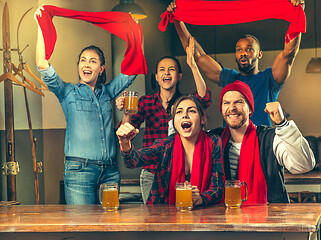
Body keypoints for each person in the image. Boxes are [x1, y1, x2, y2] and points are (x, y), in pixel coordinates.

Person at [34, 7, 138, 204]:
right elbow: (41, 63)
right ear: (79, 66)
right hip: (79, 172)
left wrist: (133, 30)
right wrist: (41, 24)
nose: (87, 65)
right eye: (83, 60)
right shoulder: (67, 92)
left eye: (92, 61)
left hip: (110, 172)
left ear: (101, 69)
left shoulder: (108, 91)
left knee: (110, 228)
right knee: (83, 230)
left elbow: (132, 70)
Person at [167, 0, 304, 126]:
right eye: (239, 50)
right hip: (231, 146)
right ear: (236, 55)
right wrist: (177, 21)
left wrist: (298, 13)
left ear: (259, 54)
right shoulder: (230, 78)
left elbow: (289, 54)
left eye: (249, 49)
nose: (243, 53)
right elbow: (198, 55)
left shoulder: (269, 78)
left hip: (260, 143)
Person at [116, 38, 212, 203]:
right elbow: (127, 131)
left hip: (179, 170)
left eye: (171, 69)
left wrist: (193, 65)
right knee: (154, 220)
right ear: (157, 77)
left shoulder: (184, 103)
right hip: (151, 172)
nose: (166, 73)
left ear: (179, 75)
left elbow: (204, 99)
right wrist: (127, 112)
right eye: (162, 70)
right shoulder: (145, 102)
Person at [210, 80, 315, 204]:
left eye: (239, 102)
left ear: (250, 109)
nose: (232, 108)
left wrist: (282, 123)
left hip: (271, 217)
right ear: (221, 110)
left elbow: (304, 165)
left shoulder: (270, 138)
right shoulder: (214, 139)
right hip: (224, 216)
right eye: (226, 103)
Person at [116, 95, 224, 205]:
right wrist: (124, 143)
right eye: (179, 112)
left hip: (202, 213)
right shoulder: (165, 145)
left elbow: (218, 187)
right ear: (173, 121)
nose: (185, 115)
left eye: (191, 111)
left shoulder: (213, 142)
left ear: (203, 119)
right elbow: (132, 161)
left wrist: (201, 198)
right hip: (163, 212)